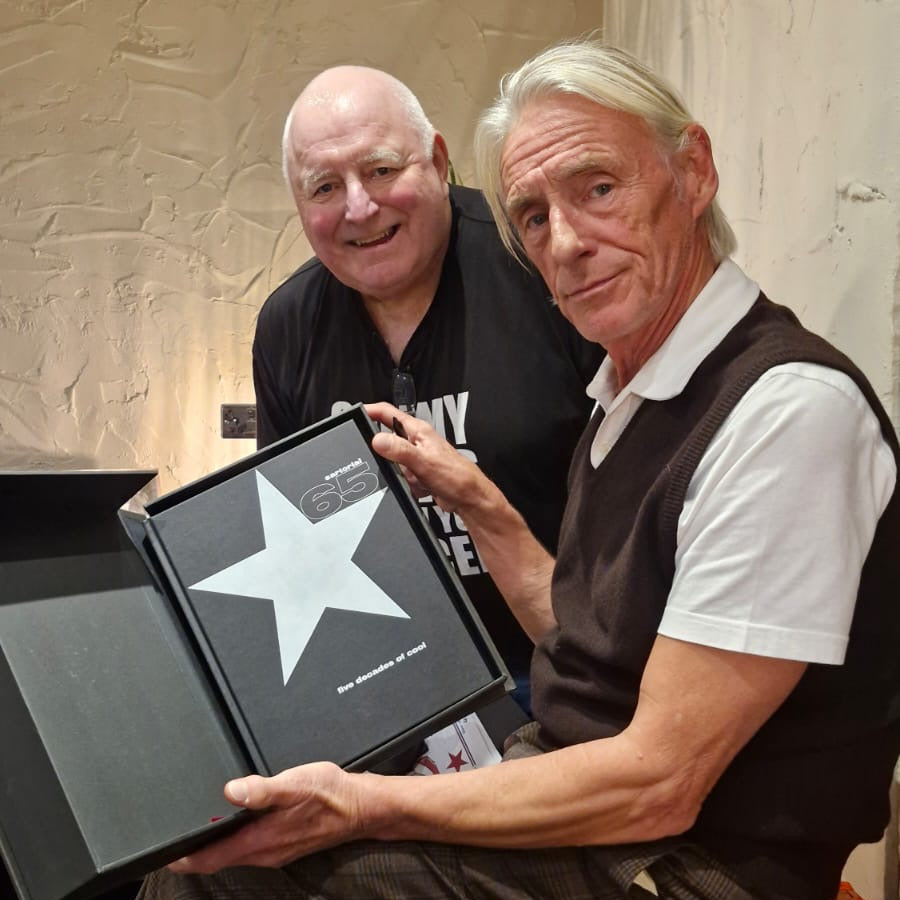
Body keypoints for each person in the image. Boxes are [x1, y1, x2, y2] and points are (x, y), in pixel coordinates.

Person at [139, 39, 900, 900]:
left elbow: (660, 782)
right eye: (533, 216)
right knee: (206, 838)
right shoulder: (629, 395)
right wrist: (479, 503)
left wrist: (364, 806)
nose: (565, 243)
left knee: (221, 882)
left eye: (598, 188)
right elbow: (590, 653)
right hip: (583, 794)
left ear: (693, 172)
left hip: (687, 863)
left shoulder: (786, 411)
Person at [251, 65, 604, 709]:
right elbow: (289, 545)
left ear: (439, 162)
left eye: (381, 170)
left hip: (564, 665)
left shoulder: (539, 264)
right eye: (324, 187)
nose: (359, 207)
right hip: (383, 685)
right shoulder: (287, 326)